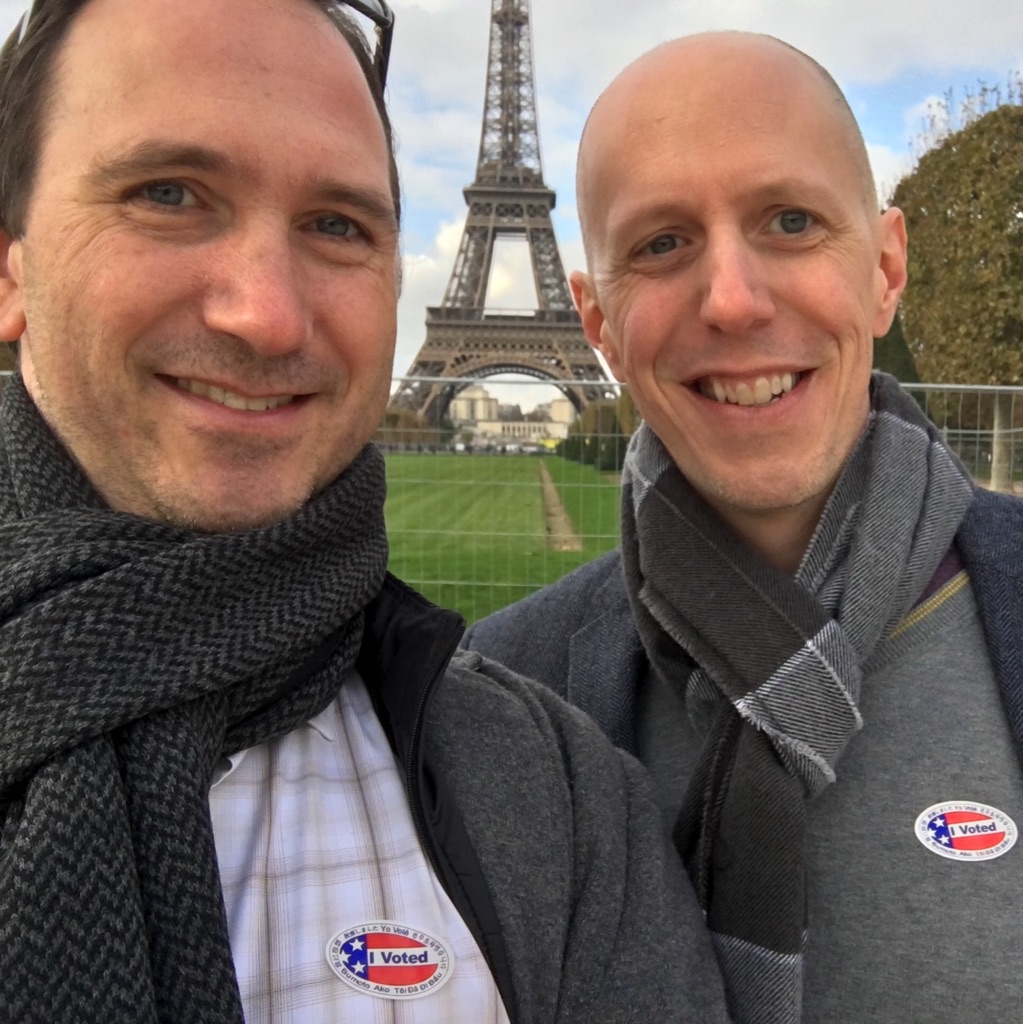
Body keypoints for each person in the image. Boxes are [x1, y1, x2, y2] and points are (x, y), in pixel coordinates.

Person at [0, 2, 732, 1021]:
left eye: (337, 224)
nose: (265, 311)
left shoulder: (558, 802)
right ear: (10, 262)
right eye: (168, 193)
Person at [464, 31, 1023, 1024]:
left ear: (886, 269)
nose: (732, 299)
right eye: (662, 243)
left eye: (791, 220)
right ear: (596, 326)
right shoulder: (497, 700)